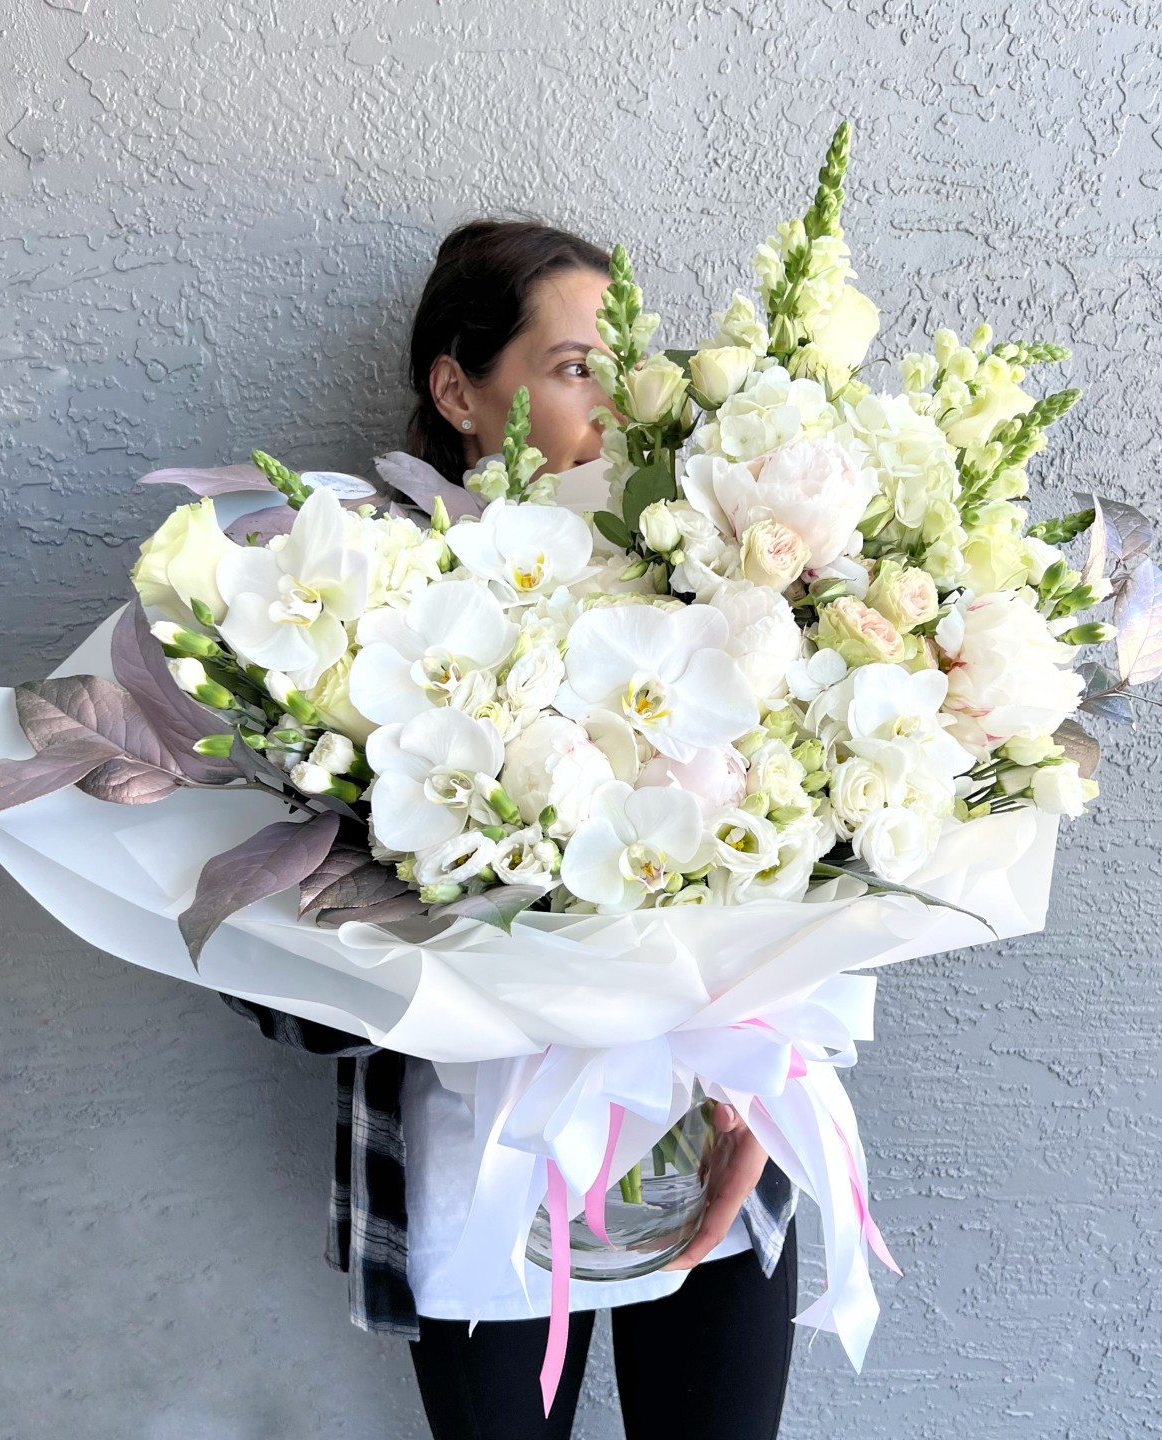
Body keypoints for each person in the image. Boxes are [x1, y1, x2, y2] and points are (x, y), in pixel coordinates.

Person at [225, 218, 800, 1440]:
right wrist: (426, 941)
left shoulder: (702, 588)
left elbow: (811, 862)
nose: (619, 402)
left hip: (707, 1158)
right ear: (459, 389)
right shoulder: (361, 611)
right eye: (576, 364)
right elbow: (258, 965)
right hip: (475, 1185)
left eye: (626, 366)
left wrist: (772, 1071)